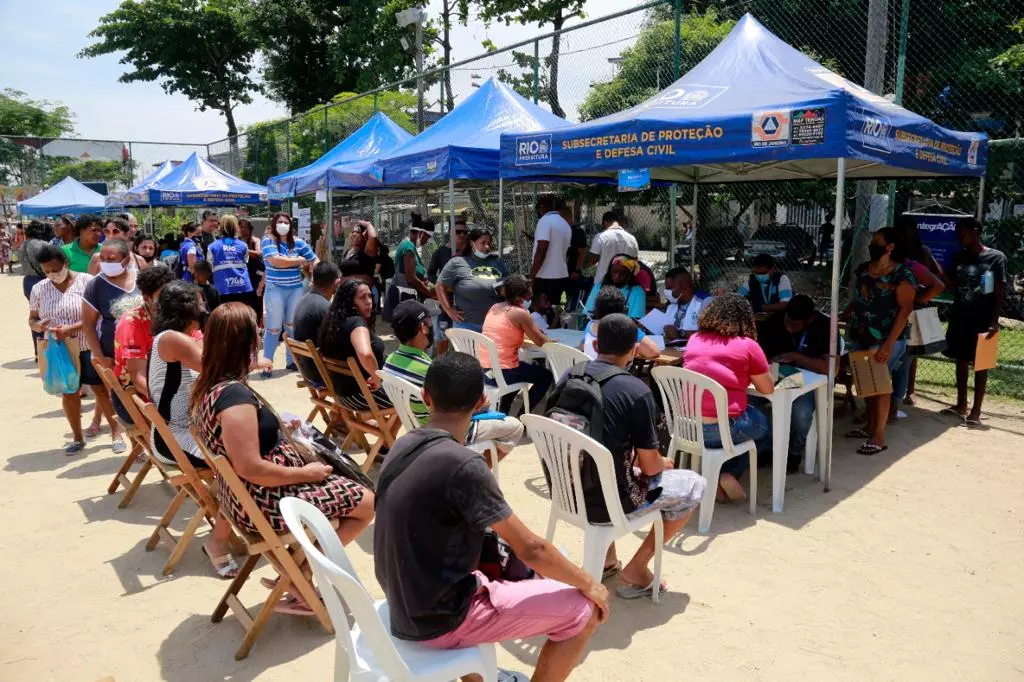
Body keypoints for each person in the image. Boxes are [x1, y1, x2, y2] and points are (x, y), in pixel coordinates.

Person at [373, 351, 606, 681]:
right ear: (482, 401)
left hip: (404, 602)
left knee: (523, 573)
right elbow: (531, 549)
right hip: (438, 619)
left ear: (426, 397)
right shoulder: (463, 465)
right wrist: (590, 584)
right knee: (584, 611)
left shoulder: (403, 444)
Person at [191, 303, 374, 609]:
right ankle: (299, 576)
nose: (261, 338)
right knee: (367, 503)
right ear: (245, 343)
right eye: (256, 333)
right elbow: (251, 467)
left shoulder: (209, 386)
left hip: (245, 496)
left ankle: (297, 573)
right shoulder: (233, 397)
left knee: (344, 495)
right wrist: (308, 473)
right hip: (266, 501)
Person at [559, 313, 707, 598]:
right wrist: (662, 462)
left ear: (597, 342)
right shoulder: (635, 390)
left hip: (567, 490)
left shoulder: (570, 374)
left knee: (607, 464)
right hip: (610, 502)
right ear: (634, 349)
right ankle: (638, 566)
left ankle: (606, 559)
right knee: (693, 484)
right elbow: (651, 469)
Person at [143, 281, 236, 577]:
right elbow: (218, 372)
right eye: (199, 302)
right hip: (176, 438)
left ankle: (237, 522)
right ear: (188, 308)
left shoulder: (175, 337)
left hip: (180, 431)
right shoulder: (173, 339)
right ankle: (218, 543)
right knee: (239, 468)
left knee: (245, 452)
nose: (204, 307)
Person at [383, 300, 525, 461]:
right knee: (515, 427)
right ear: (423, 328)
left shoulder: (390, 361)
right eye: (430, 323)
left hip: (417, 427)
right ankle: (479, 470)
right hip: (449, 431)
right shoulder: (431, 371)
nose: (432, 327)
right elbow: (457, 409)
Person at [683, 294, 774, 502]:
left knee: (739, 422)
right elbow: (767, 389)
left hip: (687, 427)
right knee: (762, 426)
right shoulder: (748, 345)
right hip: (721, 429)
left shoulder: (694, 339)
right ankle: (729, 473)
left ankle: (716, 476)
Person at [843, 227, 915, 455]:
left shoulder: (901, 275)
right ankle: (869, 427)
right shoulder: (866, 271)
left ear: (890, 246)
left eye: (877, 241)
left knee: (881, 386)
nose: (872, 244)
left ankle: (879, 437)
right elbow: (859, 300)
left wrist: (888, 345)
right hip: (862, 335)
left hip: (885, 339)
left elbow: (905, 310)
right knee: (867, 385)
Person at [28, 245, 99, 454]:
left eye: (55, 270)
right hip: (60, 349)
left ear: (66, 264)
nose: (52, 275)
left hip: (88, 345)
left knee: (102, 390)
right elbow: (32, 319)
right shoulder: (39, 289)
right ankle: (78, 437)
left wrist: (72, 328)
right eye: (46, 271)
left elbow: (95, 316)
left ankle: (114, 432)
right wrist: (38, 325)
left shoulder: (87, 282)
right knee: (69, 392)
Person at [941, 217, 1007, 427]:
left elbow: (998, 292)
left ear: (976, 231)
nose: (960, 237)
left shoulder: (995, 258)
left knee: (982, 364)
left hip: (985, 319)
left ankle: (976, 411)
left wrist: (994, 321)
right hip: (961, 317)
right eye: (957, 233)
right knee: (960, 361)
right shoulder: (959, 257)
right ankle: (961, 404)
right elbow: (952, 286)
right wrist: (939, 274)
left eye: (963, 232)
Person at [755, 294, 830, 472]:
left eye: (795, 325)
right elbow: (760, 357)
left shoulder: (824, 326)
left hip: (809, 381)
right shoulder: (773, 322)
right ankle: (767, 448)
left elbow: (828, 368)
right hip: (776, 379)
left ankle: (794, 452)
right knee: (750, 402)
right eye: (787, 322)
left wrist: (796, 357)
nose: (789, 328)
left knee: (801, 413)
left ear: (810, 319)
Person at [82, 238, 139, 452]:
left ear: (125, 260)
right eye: (103, 258)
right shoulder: (96, 285)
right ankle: (116, 433)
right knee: (116, 396)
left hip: (142, 354)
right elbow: (88, 324)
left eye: (111, 259)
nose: (105, 262)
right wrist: (99, 356)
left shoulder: (140, 280)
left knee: (141, 396)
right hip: (111, 353)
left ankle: (140, 443)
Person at [893, 214, 945, 410]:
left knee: (911, 351)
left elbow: (936, 275)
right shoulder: (895, 251)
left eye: (906, 230)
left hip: (914, 307)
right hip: (897, 304)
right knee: (900, 351)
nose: (903, 234)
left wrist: (920, 297)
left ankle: (909, 390)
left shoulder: (922, 251)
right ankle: (898, 391)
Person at [480, 275, 553, 412]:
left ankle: (504, 409)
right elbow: (540, 341)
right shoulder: (519, 313)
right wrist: (548, 338)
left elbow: (505, 330)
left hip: (486, 370)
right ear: (521, 295)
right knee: (545, 376)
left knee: (522, 370)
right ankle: (522, 416)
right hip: (503, 372)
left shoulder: (495, 307)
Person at [318, 280, 394, 411]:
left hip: (342, 394)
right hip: (361, 395)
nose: (369, 301)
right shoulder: (356, 324)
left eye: (370, 296)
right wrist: (376, 376)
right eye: (362, 297)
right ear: (350, 301)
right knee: (413, 397)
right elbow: (365, 354)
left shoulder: (334, 322)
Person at [112, 266, 176, 412]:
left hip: (167, 386)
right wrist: (171, 401)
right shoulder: (131, 323)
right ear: (147, 298)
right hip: (137, 397)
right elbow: (138, 378)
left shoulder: (175, 315)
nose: (171, 301)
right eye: (164, 297)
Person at [261, 211, 317, 376]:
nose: (283, 225)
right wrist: (300, 261)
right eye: (280, 222)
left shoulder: (299, 243)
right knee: (273, 327)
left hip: (295, 289)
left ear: (291, 225)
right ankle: (266, 364)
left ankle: (292, 361)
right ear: (274, 224)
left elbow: (314, 259)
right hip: (275, 289)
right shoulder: (268, 241)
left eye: (286, 222)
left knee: (292, 326)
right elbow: (276, 262)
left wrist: (314, 273)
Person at [437, 226, 509, 333]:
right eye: (483, 243)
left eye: (489, 243)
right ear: (472, 243)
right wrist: (449, 309)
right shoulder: (457, 263)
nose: (487, 246)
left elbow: (508, 284)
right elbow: (440, 286)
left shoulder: (497, 262)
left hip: (494, 325)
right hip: (467, 325)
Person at [291, 262, 341, 384]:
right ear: (336, 283)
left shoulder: (303, 301)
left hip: (308, 371)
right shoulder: (324, 308)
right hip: (323, 375)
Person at [583, 286, 660, 361]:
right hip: (614, 372)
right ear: (622, 308)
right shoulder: (626, 327)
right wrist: (634, 348)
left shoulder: (590, 325)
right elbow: (653, 351)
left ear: (597, 307)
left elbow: (583, 346)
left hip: (589, 370)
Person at [427, 219, 468, 350]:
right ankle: (441, 362)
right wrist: (442, 285)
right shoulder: (440, 252)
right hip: (446, 302)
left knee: (463, 337)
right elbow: (431, 273)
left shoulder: (470, 253)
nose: (461, 235)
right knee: (442, 334)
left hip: (464, 302)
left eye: (464, 232)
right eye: (458, 232)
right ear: (450, 232)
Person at [383, 219, 435, 322]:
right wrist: (431, 294)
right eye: (427, 237)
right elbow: (411, 278)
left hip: (408, 300)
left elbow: (419, 276)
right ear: (420, 233)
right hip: (405, 301)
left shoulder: (411, 248)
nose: (426, 241)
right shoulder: (408, 248)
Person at [529, 196, 572, 309]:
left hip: (545, 277)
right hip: (562, 276)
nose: (538, 214)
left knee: (540, 314)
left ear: (542, 208)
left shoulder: (544, 221)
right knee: (557, 312)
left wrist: (532, 276)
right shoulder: (565, 224)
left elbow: (542, 249)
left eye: (538, 210)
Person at [206, 214, 253, 306]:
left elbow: (209, 267)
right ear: (236, 227)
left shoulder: (212, 247)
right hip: (243, 287)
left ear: (220, 227)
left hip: (222, 287)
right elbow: (246, 261)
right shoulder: (243, 245)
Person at [583, 254, 647, 319]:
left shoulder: (637, 292)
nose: (617, 276)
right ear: (609, 272)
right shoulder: (599, 287)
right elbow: (588, 313)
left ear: (629, 275)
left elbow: (636, 319)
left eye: (623, 273)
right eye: (614, 272)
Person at [586, 211, 639, 285]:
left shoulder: (600, 237)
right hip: (625, 283)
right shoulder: (632, 239)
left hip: (603, 283)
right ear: (618, 222)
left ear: (604, 223)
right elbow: (635, 262)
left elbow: (592, 261)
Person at [661, 266, 711, 343]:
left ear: (683, 286)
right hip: (672, 348)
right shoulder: (672, 305)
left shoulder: (705, 302)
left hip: (696, 349)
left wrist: (680, 333)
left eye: (669, 288)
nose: (666, 291)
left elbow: (710, 334)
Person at [238, 217, 265, 325]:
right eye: (241, 227)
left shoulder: (255, 240)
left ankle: (257, 324)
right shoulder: (236, 240)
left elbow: (258, 253)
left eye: (246, 227)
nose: (243, 229)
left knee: (256, 300)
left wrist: (242, 249)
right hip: (240, 275)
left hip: (254, 274)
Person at [338, 219, 380, 287]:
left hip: (361, 292)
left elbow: (373, 237)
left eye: (358, 232)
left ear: (364, 236)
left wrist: (368, 224)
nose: (354, 234)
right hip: (346, 292)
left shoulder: (366, 251)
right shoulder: (348, 251)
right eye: (353, 232)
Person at [563, 207, 589, 312]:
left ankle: (572, 317)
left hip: (572, 272)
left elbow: (582, 253)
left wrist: (577, 270)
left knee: (573, 298)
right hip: (561, 272)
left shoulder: (577, 232)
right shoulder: (560, 232)